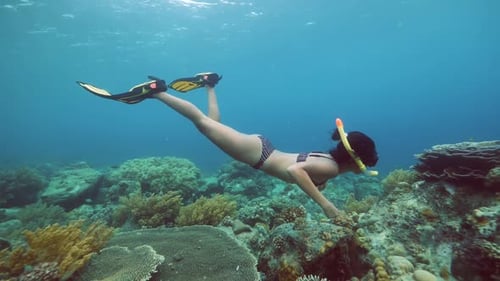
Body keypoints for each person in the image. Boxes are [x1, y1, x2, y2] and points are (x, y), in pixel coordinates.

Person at [77, 73, 378, 222]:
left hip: (260, 147)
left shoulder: (329, 162)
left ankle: (209, 84)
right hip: (258, 155)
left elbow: (307, 172)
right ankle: (157, 92)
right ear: (358, 161)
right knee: (203, 124)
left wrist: (319, 189)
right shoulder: (332, 167)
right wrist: (325, 205)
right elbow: (296, 170)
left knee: (211, 125)